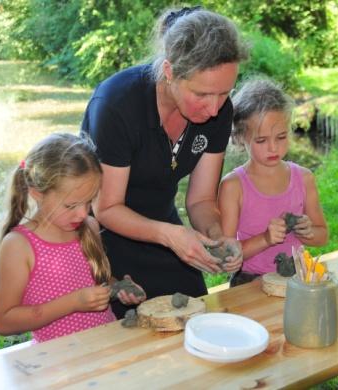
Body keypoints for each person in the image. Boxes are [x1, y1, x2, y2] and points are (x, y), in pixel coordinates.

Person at [81, 7, 248, 317]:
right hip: (102, 241)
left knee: (198, 318)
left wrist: (216, 234)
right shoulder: (117, 105)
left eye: (224, 93)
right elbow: (106, 208)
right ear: (170, 72)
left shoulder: (218, 111)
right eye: (202, 94)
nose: (214, 109)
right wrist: (171, 236)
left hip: (165, 229)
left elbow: (200, 199)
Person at [0, 133, 145, 343]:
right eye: (71, 205)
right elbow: (4, 322)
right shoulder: (19, 246)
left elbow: (95, 281)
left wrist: (117, 288)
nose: (83, 214)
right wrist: (73, 302)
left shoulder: (89, 227)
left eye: (89, 201)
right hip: (59, 362)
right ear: (37, 193)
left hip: (106, 347)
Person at [218, 78, 329, 286]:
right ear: (241, 137)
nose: (273, 148)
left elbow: (322, 236)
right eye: (261, 140)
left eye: (281, 137)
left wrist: (307, 232)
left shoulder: (303, 178)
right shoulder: (233, 186)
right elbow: (226, 256)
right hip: (250, 282)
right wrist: (266, 239)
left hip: (297, 277)